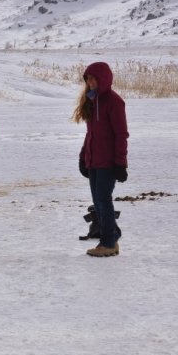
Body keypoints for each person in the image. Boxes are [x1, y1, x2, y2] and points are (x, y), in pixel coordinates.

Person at [74, 62, 129, 257]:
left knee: (103, 201)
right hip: (94, 161)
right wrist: (83, 157)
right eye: (87, 79)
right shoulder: (92, 100)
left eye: (93, 78)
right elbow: (91, 134)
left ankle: (108, 243)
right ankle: (111, 240)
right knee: (98, 202)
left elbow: (121, 134)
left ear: (103, 79)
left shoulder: (113, 101)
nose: (89, 82)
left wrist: (120, 163)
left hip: (108, 162)